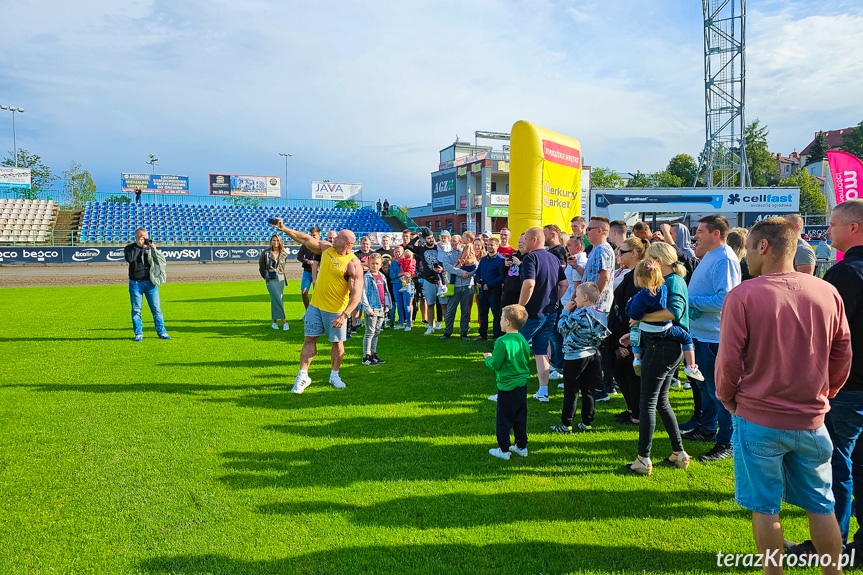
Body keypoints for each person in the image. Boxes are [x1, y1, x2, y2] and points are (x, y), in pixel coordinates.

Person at [716, 217, 852, 574]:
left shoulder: (744, 295)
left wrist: (728, 399)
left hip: (758, 417)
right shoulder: (826, 291)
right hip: (812, 418)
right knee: (821, 505)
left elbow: (728, 360)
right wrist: (825, 392)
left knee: (765, 506)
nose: (744, 258)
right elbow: (842, 354)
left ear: (764, 246)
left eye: (748, 250)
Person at [807, 199, 863, 556]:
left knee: (835, 467)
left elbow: (826, 333)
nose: (828, 232)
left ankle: (831, 544)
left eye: (833, 225)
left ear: (853, 228)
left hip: (847, 387)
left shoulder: (845, 273)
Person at [271, 219, 363, 393]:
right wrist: (284, 229)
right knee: (309, 339)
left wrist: (344, 315)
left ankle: (334, 376)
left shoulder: (353, 264)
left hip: (336, 312)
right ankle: (302, 376)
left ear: (348, 243)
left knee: (337, 344)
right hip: (315, 307)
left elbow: (356, 295)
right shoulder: (327, 248)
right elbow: (305, 239)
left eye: (339, 238)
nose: (334, 239)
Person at [627, 243, 695, 476]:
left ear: (659, 259)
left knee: (647, 402)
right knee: (661, 401)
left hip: (664, 346)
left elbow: (674, 312)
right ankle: (679, 453)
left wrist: (639, 318)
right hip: (667, 345)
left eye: (649, 258)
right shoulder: (670, 279)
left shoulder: (673, 281)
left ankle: (643, 458)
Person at [681, 214, 741, 462]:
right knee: (706, 387)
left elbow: (725, 298)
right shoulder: (713, 257)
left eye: (700, 231)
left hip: (715, 337)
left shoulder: (725, 258)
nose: (696, 235)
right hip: (702, 334)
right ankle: (707, 428)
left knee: (720, 392)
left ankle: (726, 442)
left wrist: (690, 302)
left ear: (716, 234)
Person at [626, 260, 704, 381]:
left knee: (635, 331)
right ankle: (691, 365)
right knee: (686, 337)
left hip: (647, 329)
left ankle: (637, 358)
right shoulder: (663, 290)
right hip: (664, 328)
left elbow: (634, 314)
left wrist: (630, 304)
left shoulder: (640, 296)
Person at [551, 282, 611, 434]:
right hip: (592, 355)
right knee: (588, 391)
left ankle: (566, 425)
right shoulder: (600, 313)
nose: (574, 299)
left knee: (571, 391)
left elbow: (561, 328)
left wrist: (565, 311)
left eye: (576, 296)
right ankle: (587, 423)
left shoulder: (579, 313)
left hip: (574, 356)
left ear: (584, 297)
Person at [519, 227, 568, 403]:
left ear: (534, 240)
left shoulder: (530, 258)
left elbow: (529, 284)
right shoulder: (554, 258)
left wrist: (520, 306)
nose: (522, 242)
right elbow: (564, 284)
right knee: (540, 351)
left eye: (525, 239)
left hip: (532, 313)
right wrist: (553, 300)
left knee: (513, 348)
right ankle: (543, 391)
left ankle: (508, 392)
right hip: (550, 312)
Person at [483, 304, 532, 460]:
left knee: (504, 419)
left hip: (506, 387)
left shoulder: (502, 342)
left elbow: (495, 364)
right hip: (522, 385)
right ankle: (521, 446)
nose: (500, 321)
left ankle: (503, 450)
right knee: (520, 417)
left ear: (508, 322)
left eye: (501, 318)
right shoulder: (523, 340)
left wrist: (487, 358)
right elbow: (525, 359)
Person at [609, 237, 649, 426]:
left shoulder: (638, 276)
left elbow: (635, 310)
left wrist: (630, 340)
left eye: (622, 252)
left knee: (630, 373)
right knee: (620, 370)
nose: (619, 255)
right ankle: (632, 408)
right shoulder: (630, 273)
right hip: (621, 330)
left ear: (634, 253)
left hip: (628, 333)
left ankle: (637, 413)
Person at [124, 228, 170, 342]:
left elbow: (161, 262)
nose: (145, 240)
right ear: (137, 237)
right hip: (135, 283)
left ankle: (162, 332)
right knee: (136, 310)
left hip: (151, 283)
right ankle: (138, 334)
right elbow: (130, 259)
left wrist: (154, 249)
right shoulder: (129, 248)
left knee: (156, 309)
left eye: (146, 237)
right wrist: (138, 246)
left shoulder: (149, 248)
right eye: (142, 237)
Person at [440, 234, 475, 340]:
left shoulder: (468, 252)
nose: (452, 243)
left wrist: (468, 274)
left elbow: (476, 266)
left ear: (461, 241)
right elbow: (447, 267)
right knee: (451, 310)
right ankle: (447, 331)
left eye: (455, 241)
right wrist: (460, 272)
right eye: (451, 241)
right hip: (453, 286)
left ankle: (464, 332)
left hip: (466, 285)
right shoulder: (448, 255)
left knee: (465, 310)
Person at [413, 228, 447, 334]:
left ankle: (447, 327)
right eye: (428, 238)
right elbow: (408, 246)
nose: (431, 240)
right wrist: (417, 238)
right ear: (424, 239)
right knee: (430, 304)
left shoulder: (439, 248)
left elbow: (448, 260)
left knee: (443, 304)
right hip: (428, 280)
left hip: (441, 279)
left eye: (432, 237)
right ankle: (430, 326)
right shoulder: (421, 250)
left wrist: (443, 269)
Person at [360, 253, 391, 366]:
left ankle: (373, 353)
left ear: (381, 265)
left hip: (381, 308)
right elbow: (362, 293)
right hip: (372, 308)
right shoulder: (367, 277)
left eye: (377, 264)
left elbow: (386, 292)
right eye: (372, 264)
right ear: (369, 264)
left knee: (377, 332)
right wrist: (368, 309)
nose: (374, 266)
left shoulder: (382, 276)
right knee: (369, 332)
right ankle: (366, 356)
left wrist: (387, 305)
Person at [476, 237, 506, 341]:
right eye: (488, 245)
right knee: (483, 313)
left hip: (494, 291)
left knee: (496, 315)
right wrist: (477, 281)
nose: (490, 247)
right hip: (482, 291)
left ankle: (496, 335)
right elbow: (478, 272)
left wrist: (490, 284)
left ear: (497, 246)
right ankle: (482, 334)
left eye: (492, 245)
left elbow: (502, 277)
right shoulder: (484, 259)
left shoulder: (501, 260)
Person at [259, 233, 290, 331]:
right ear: (271, 241)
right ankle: (285, 321)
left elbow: (283, 267)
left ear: (280, 242)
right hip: (270, 279)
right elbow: (262, 267)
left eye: (277, 240)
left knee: (277, 299)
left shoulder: (284, 254)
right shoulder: (265, 253)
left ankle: (274, 322)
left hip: (280, 279)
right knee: (277, 298)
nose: (275, 242)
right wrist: (266, 277)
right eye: (274, 240)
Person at [296, 226, 322, 312]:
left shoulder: (322, 245)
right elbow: (299, 257)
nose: (312, 237)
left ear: (319, 235)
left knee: (318, 294)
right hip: (307, 271)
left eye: (314, 235)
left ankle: (318, 311)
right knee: (304, 292)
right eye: (311, 235)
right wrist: (307, 261)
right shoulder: (305, 245)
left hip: (319, 273)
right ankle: (307, 312)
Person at [376, 235, 396, 328]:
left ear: (390, 241)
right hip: (381, 279)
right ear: (381, 241)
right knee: (382, 300)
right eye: (383, 240)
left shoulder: (392, 252)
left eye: (386, 240)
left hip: (391, 279)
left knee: (392, 300)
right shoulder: (378, 252)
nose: (385, 242)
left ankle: (391, 320)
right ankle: (382, 320)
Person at [393, 247, 416, 331]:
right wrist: (402, 273)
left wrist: (410, 274)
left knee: (407, 304)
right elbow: (392, 275)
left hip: (407, 284)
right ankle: (401, 323)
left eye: (399, 252)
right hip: (396, 284)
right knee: (399, 304)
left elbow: (413, 273)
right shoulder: (393, 263)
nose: (397, 254)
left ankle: (408, 324)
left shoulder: (410, 261)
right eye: (396, 252)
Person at [501, 234, 525, 308]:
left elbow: (528, 273)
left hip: (519, 292)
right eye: (519, 242)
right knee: (503, 314)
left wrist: (520, 265)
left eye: (522, 242)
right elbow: (502, 272)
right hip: (507, 291)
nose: (520, 244)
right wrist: (505, 265)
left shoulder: (529, 257)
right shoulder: (514, 256)